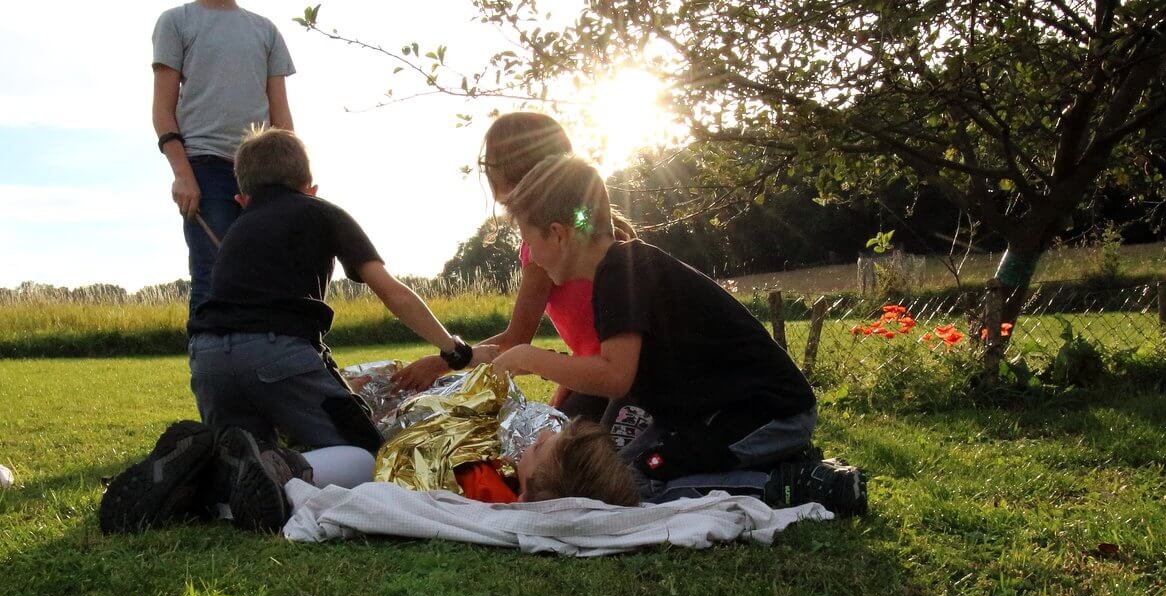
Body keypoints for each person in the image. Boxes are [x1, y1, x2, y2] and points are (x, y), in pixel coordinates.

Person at [101, 126, 496, 533]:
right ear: (310, 187)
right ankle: (279, 470)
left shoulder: (237, 229)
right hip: (276, 353)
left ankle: (199, 481)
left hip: (207, 359)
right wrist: (453, 349)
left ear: (242, 198)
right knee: (366, 457)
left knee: (243, 453)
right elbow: (391, 292)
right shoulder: (323, 212)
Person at [490, 156, 863, 511]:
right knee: (614, 473)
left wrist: (529, 357)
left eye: (528, 241)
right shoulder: (616, 272)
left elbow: (615, 377)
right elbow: (629, 384)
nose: (531, 258)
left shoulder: (623, 272)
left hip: (766, 412)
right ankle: (766, 460)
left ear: (557, 235)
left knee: (637, 485)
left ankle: (790, 483)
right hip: (706, 414)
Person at [394, 112, 638, 423]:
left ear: (504, 170)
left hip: (614, 382)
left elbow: (515, 342)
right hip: (610, 372)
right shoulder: (587, 233)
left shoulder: (548, 248)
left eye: (488, 164)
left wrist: (442, 362)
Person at [98, 418, 639, 535]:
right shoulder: (502, 481)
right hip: (354, 476)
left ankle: (231, 473)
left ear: (545, 487)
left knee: (353, 462)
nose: (542, 437)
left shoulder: (498, 493)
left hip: (358, 483)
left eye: (549, 447)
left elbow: (440, 469)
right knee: (353, 460)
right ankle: (230, 480)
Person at [151, 0, 296, 319]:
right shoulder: (177, 21)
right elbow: (163, 110)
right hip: (205, 168)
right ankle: (208, 369)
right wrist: (182, 174)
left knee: (269, 279)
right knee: (213, 278)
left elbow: (281, 116)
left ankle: (266, 367)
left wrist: (294, 182)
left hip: (263, 174)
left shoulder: (265, 30)